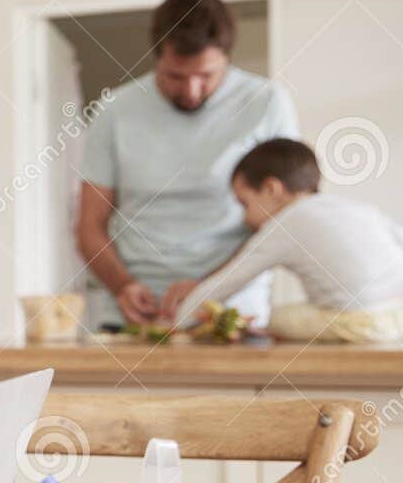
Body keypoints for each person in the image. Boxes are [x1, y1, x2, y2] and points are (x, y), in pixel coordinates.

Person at [75, 0, 298, 329]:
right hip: (133, 316)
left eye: (206, 76)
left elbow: (283, 219)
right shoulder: (114, 111)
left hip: (231, 313)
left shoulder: (267, 103)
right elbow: (89, 226)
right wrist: (123, 286)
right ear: (156, 57)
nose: (191, 91)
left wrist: (210, 289)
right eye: (175, 77)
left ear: (227, 57)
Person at [163, 139, 403, 342]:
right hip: (396, 316)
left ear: (270, 189)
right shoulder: (354, 209)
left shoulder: (285, 224)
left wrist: (180, 322)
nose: (245, 217)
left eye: (244, 203)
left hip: (358, 325)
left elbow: (228, 280)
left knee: (274, 317)